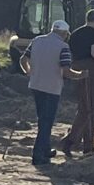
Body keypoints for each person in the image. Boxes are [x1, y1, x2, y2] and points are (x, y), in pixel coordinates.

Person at [25, 16, 72, 167]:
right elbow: (66, 71)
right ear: (64, 33)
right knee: (46, 122)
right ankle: (38, 155)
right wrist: (81, 75)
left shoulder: (37, 40)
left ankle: (45, 150)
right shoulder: (63, 47)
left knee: (42, 120)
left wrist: (28, 71)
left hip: (35, 84)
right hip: (52, 88)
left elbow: (22, 59)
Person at [63, 10, 94, 154]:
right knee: (88, 108)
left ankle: (88, 146)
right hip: (89, 69)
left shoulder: (75, 33)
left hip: (75, 66)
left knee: (86, 106)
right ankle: (70, 140)